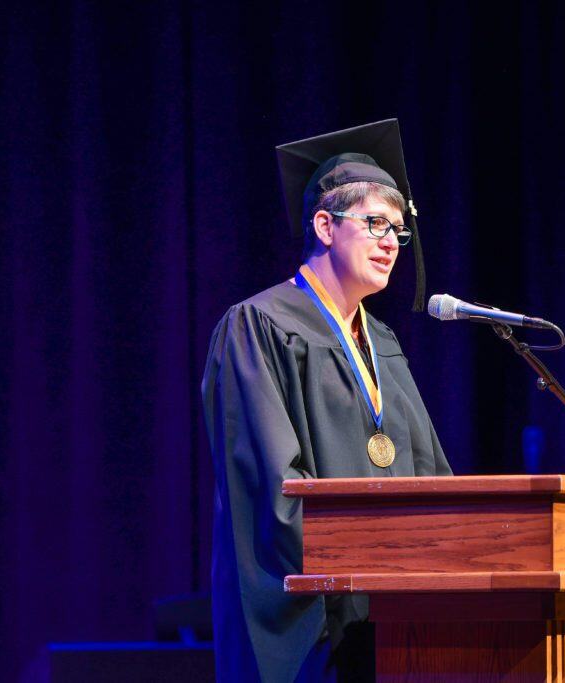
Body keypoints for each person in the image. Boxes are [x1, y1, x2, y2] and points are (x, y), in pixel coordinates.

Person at [202, 119, 452, 682]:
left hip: (393, 620)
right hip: (314, 618)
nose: (390, 243)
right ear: (324, 225)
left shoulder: (382, 343)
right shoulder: (258, 327)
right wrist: (366, 568)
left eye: (398, 231)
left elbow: (431, 476)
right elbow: (272, 490)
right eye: (375, 223)